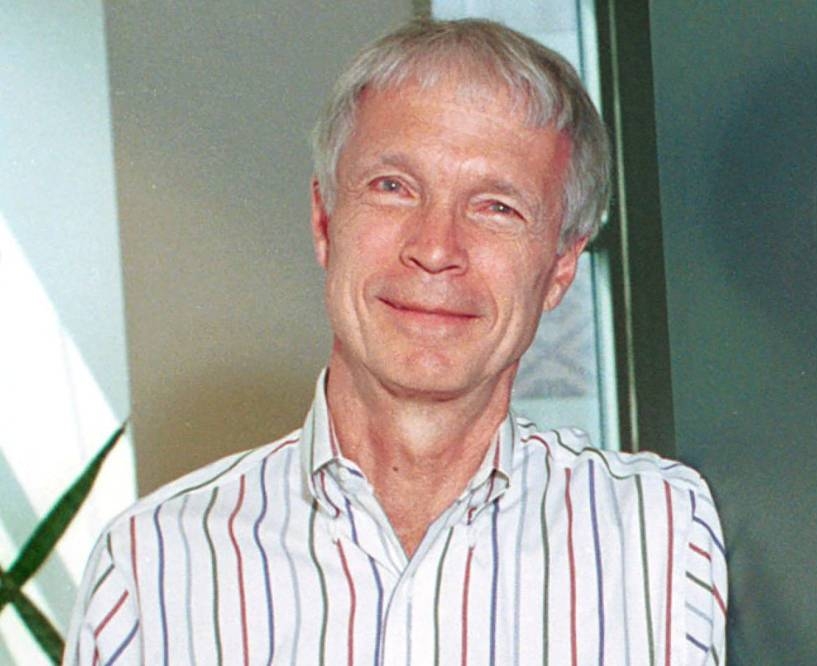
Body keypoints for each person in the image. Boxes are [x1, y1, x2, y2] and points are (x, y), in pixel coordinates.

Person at [64, 18, 726, 665]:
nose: (436, 249)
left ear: (560, 267)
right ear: (325, 221)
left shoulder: (666, 537)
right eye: (394, 188)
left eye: (497, 206)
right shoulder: (146, 571)